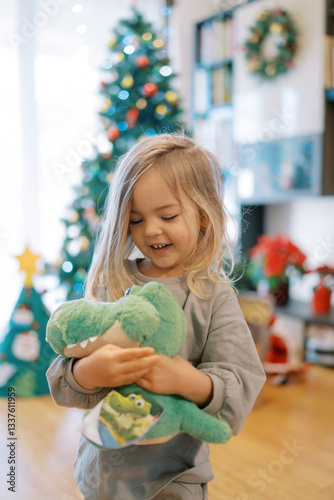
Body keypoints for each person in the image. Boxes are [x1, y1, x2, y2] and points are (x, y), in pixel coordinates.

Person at [47, 133, 266, 500]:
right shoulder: (111, 284)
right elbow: (61, 375)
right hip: (101, 478)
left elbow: (241, 385)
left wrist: (190, 381)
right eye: (135, 220)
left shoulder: (213, 296)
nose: (150, 230)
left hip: (174, 480)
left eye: (168, 215)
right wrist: (87, 373)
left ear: (203, 214)